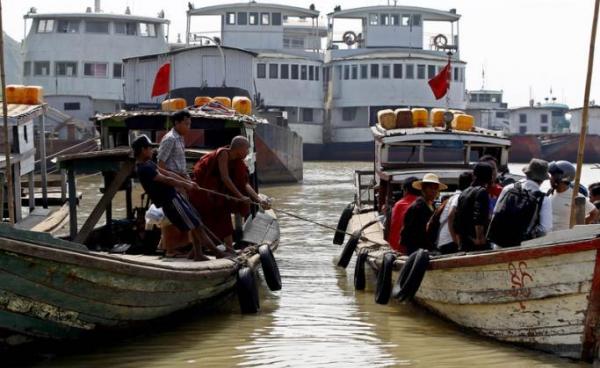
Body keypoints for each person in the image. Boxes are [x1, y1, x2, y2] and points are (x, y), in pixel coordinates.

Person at [132, 135, 227, 261]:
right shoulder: (143, 169)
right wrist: (186, 185)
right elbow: (166, 179)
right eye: (150, 148)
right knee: (195, 225)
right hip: (170, 201)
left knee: (197, 221)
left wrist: (188, 182)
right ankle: (217, 253)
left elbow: (168, 173)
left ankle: (198, 253)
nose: (152, 150)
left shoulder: (148, 163)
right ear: (143, 150)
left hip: (175, 197)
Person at [189, 136, 270, 250]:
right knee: (200, 221)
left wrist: (259, 200)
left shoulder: (238, 161)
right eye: (247, 149)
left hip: (217, 196)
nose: (248, 152)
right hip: (203, 192)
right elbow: (225, 178)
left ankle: (229, 249)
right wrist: (240, 196)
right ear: (239, 148)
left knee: (224, 218)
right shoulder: (223, 154)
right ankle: (197, 252)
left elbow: (244, 184)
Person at [488, 159, 552, 247]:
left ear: (527, 174)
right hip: (522, 247)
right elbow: (545, 229)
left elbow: (496, 213)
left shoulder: (509, 188)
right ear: (543, 180)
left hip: (499, 243)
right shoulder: (543, 199)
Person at [401, 173, 446, 255]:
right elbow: (411, 233)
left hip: (427, 247)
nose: (433, 191)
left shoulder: (431, 205)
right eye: (430, 188)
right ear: (423, 189)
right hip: (417, 250)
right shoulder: (418, 207)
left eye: (436, 188)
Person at [453, 162, 494, 252]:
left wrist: (460, 242)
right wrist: (480, 238)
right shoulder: (482, 192)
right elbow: (478, 216)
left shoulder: (464, 192)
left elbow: (456, 220)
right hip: (476, 244)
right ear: (489, 177)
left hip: (465, 243)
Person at [548, 161, 599, 230]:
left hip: (565, 237)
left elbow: (594, 213)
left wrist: (575, 228)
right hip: (549, 236)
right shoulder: (550, 194)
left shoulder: (576, 196)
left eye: (552, 176)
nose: (550, 179)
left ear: (561, 178)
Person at [435, 171, 473, 254]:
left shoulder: (456, 196)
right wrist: (456, 240)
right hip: (449, 242)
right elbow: (450, 216)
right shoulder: (459, 197)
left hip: (446, 241)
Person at [388, 176, 420, 253]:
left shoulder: (398, 205)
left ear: (405, 190)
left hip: (396, 248)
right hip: (417, 250)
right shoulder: (423, 204)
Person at [157, 109, 191, 179]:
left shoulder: (180, 138)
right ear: (177, 123)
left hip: (181, 179)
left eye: (189, 124)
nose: (188, 127)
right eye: (186, 124)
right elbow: (161, 165)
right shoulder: (170, 139)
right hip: (174, 182)